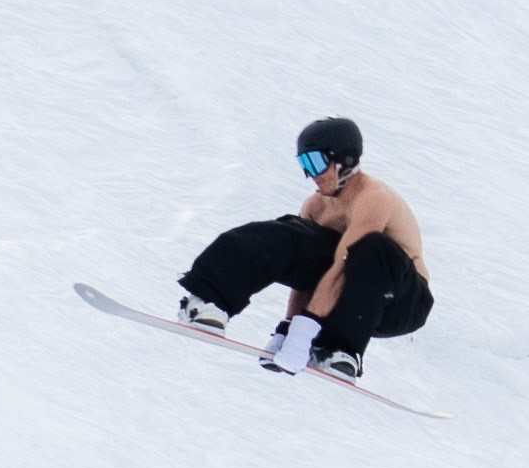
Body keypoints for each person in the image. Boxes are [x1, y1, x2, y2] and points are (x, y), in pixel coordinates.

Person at [172, 117, 432, 380]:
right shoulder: (315, 206)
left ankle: (342, 351)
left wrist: (304, 331)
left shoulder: (373, 198)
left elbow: (343, 266)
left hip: (401, 302)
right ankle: (210, 302)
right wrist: (287, 328)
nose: (311, 174)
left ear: (346, 161)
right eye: (304, 164)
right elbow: (305, 273)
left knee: (368, 247)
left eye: (316, 163)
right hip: (350, 299)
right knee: (287, 234)